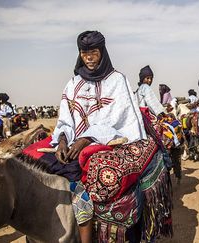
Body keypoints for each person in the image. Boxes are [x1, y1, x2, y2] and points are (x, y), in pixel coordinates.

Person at [50, 30, 147, 242]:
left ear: (102, 52)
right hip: (75, 143)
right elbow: (65, 119)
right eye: (85, 53)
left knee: (89, 174)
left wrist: (86, 139)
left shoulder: (117, 80)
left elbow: (117, 119)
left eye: (94, 52)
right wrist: (63, 141)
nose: (90, 58)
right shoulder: (73, 84)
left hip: (111, 140)